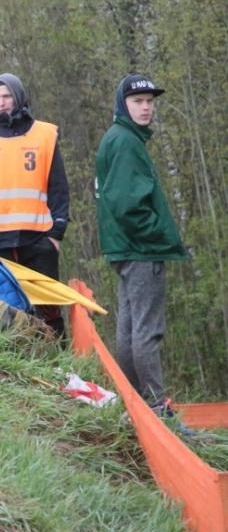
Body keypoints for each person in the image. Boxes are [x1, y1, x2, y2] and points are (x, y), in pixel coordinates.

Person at [95, 73, 188, 410]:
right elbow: (127, 205)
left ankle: (135, 405)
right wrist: (159, 234)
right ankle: (156, 408)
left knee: (130, 330)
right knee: (147, 332)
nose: (146, 107)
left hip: (124, 248)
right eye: (138, 102)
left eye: (150, 102)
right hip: (141, 249)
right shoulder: (126, 143)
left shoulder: (118, 138)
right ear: (123, 105)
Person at [0, 73, 70, 336]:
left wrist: (56, 234)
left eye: (7, 96)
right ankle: (18, 360)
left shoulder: (45, 134)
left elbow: (58, 187)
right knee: (7, 312)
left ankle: (59, 357)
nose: (1, 102)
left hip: (39, 238)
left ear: (19, 97)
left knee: (49, 310)